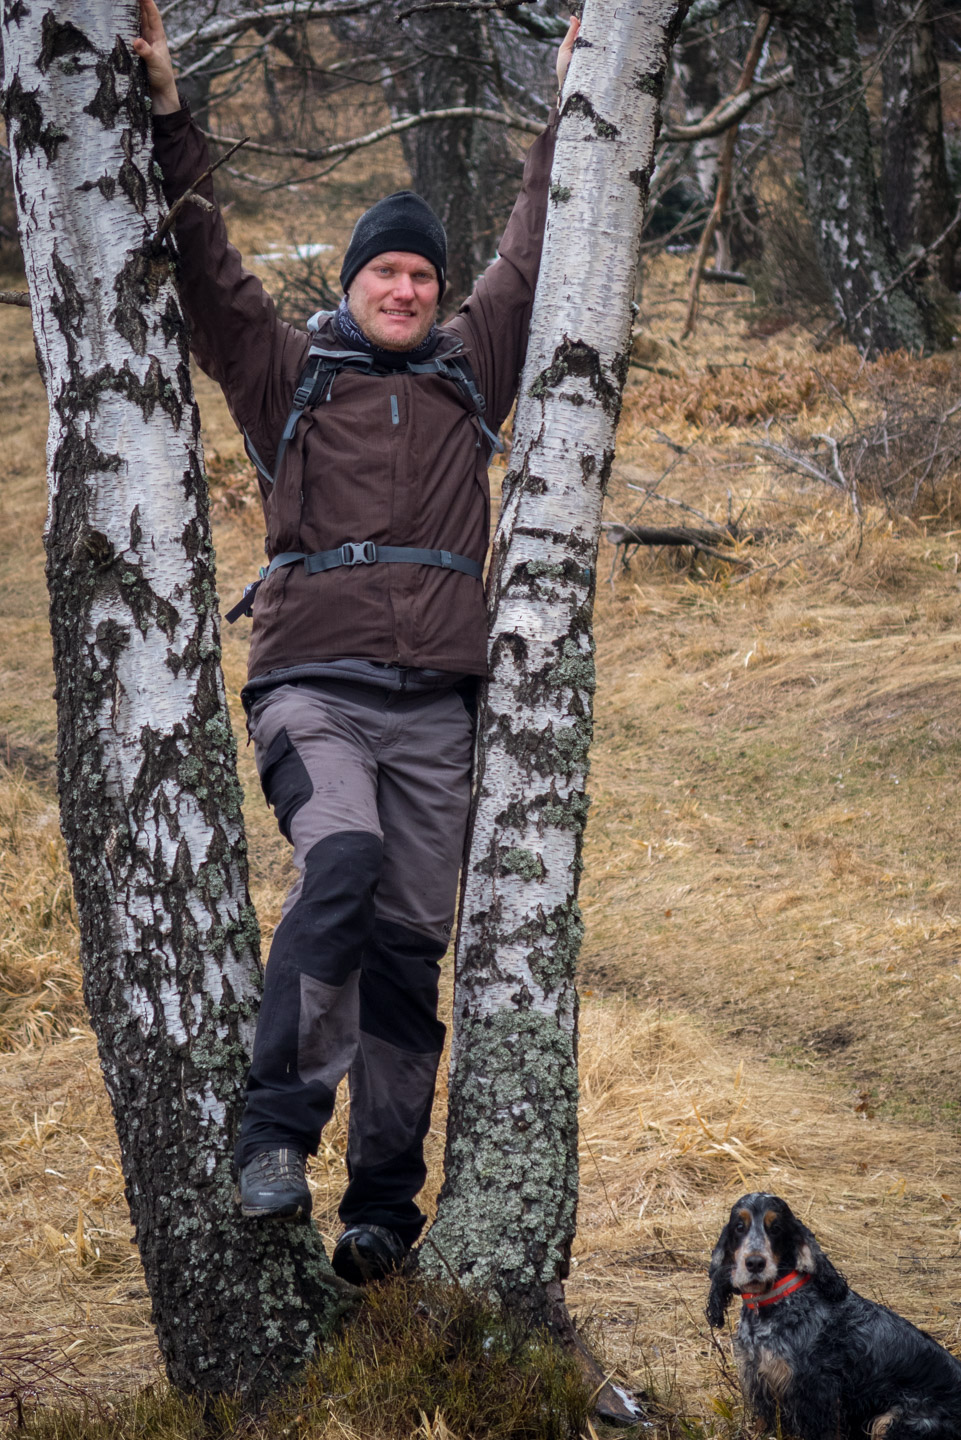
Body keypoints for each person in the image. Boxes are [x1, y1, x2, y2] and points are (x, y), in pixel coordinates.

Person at [135, 0, 578, 1286]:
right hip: (312, 694)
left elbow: (538, 245)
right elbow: (210, 271)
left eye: (421, 276)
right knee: (339, 870)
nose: (405, 287)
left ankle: (382, 1208)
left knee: (405, 956)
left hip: (439, 709)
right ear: (349, 285)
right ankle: (275, 1136)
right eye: (384, 271)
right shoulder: (292, 377)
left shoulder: (470, 371)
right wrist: (170, 117)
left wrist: (572, 107)